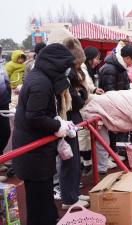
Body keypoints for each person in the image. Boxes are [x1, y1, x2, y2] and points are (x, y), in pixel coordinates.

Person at [12, 43, 75, 225]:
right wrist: (58, 125)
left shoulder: (41, 77)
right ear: (56, 64)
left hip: (37, 151)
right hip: (33, 152)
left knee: (44, 198)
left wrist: (58, 121)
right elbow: (35, 117)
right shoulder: (40, 82)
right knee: (39, 202)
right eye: (65, 66)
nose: (67, 70)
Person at [58, 37, 90, 209]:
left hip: (71, 120)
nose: (80, 67)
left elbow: (80, 96)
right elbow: (76, 101)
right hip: (67, 121)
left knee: (73, 159)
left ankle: (73, 194)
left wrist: (81, 94)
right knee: (69, 160)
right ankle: (69, 198)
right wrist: (81, 95)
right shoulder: (65, 76)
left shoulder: (71, 75)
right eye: (78, 63)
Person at [99, 45, 132, 161]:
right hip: (112, 105)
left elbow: (124, 86)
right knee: (111, 131)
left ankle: (113, 153)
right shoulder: (110, 69)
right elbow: (109, 91)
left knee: (114, 131)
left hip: (118, 103)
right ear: (126, 58)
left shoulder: (120, 67)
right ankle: (110, 155)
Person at [79, 46, 105, 175]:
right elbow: (84, 89)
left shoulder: (86, 69)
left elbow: (87, 86)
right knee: (83, 136)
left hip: (86, 104)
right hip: (83, 106)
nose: (98, 61)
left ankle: (87, 163)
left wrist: (94, 89)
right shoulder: (81, 68)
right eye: (96, 58)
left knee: (86, 136)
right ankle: (86, 164)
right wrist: (94, 94)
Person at [0, 45, 10, 182]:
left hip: (3, 102)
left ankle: (0, 158)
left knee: (5, 131)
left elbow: (6, 80)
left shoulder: (2, 63)